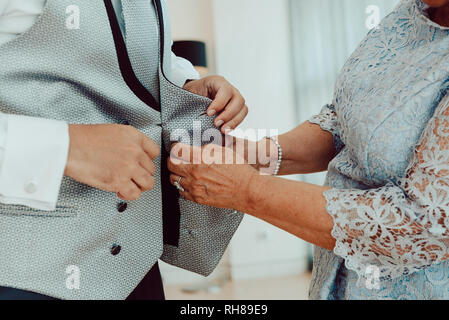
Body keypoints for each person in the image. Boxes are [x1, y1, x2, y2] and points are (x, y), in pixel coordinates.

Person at [168, 0, 449, 299]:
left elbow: (424, 222)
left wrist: (244, 188)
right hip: (336, 278)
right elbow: (347, 123)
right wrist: (250, 155)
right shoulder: (406, 15)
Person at [0, 0, 247, 300]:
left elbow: (140, 59)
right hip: (24, 275)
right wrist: (65, 147)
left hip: (136, 266)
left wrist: (185, 84)